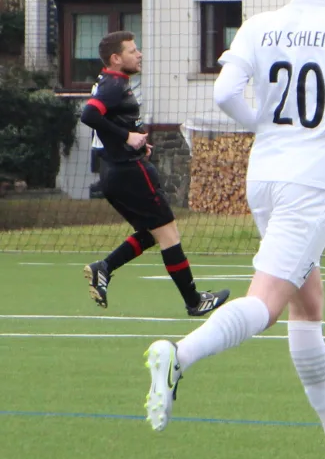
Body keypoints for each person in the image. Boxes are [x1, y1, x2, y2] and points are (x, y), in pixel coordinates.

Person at [142, 0, 325, 459]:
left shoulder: (259, 26)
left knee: (308, 300)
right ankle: (179, 354)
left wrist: (263, 122)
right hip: (311, 182)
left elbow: (225, 92)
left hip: (266, 177)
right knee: (268, 303)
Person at [79, 31, 229, 316]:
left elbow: (108, 119)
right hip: (129, 172)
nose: (139, 54)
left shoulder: (112, 82)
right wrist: (127, 137)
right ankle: (194, 301)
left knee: (151, 232)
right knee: (169, 233)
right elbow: (89, 115)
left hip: (115, 171)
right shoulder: (113, 84)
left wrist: (133, 140)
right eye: (132, 51)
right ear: (116, 58)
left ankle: (104, 268)